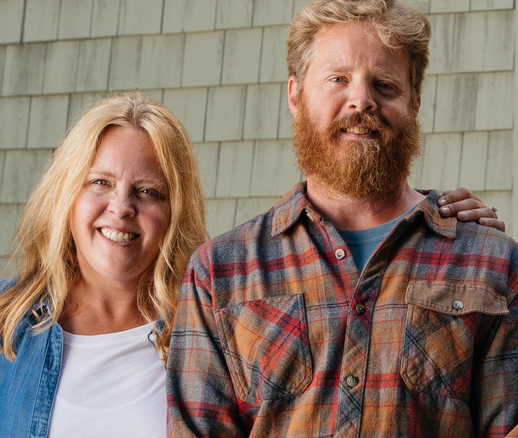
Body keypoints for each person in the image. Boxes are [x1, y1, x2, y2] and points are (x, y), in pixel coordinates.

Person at [166, 0, 517, 436]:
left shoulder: (492, 264)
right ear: (295, 95)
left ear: (415, 101)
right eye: (338, 79)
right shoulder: (220, 273)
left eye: (385, 85)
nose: (362, 100)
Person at [0, 93, 208, 437]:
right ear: (67, 195)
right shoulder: (1, 318)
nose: (121, 207)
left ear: (174, 214)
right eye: (101, 182)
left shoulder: (204, 335)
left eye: (148, 192)